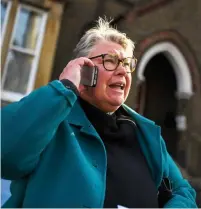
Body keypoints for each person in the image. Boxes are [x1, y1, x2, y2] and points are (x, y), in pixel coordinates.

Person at [1, 17, 197, 208]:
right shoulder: (51, 118)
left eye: (127, 64)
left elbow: (183, 192)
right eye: (110, 61)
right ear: (84, 69)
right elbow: (6, 155)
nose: (122, 71)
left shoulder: (146, 134)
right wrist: (66, 87)